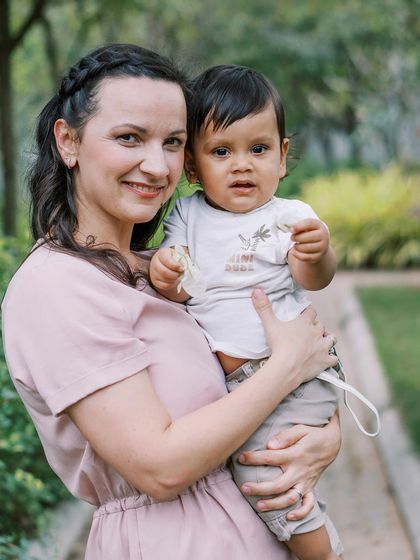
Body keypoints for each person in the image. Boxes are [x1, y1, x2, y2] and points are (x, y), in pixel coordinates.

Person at [1, 45, 343, 560]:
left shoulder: (161, 268)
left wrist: (323, 437)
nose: (156, 165)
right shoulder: (56, 287)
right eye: (129, 138)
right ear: (68, 141)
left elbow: (236, 391)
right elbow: (159, 467)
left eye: (173, 142)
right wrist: (289, 367)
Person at [149, 65, 344, 560]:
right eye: (221, 151)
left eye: (258, 150)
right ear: (192, 168)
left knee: (267, 483)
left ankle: (324, 553)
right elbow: (175, 285)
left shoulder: (289, 217)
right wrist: (166, 274)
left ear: (281, 158)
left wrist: (316, 252)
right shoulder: (186, 215)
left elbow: (314, 280)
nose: (241, 165)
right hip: (243, 388)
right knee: (267, 479)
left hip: (293, 377)